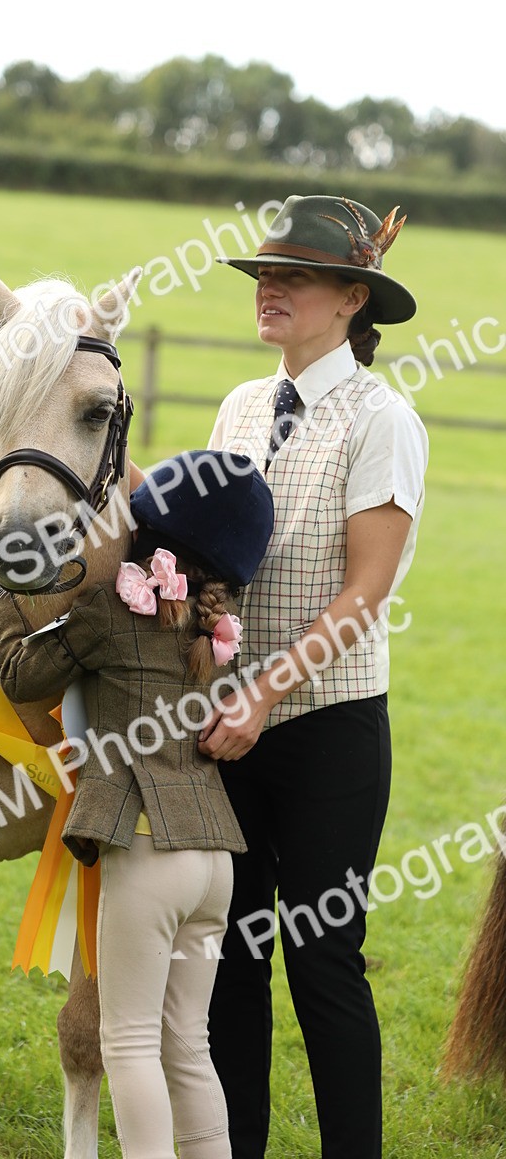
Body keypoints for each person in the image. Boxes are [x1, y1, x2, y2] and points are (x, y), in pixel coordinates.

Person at [196, 194, 430, 1159]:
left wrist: (264, 692)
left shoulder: (383, 419)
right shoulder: (241, 407)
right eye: (263, 274)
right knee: (227, 964)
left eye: (293, 276)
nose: (270, 289)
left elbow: (366, 592)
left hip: (328, 730)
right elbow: (204, 556)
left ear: (350, 300)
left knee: (323, 961)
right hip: (223, 732)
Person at [0, 451, 274, 1159]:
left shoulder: (112, 615)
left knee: (130, 1041)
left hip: (146, 855)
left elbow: (22, 676)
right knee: (188, 1046)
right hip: (214, 863)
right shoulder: (217, 635)